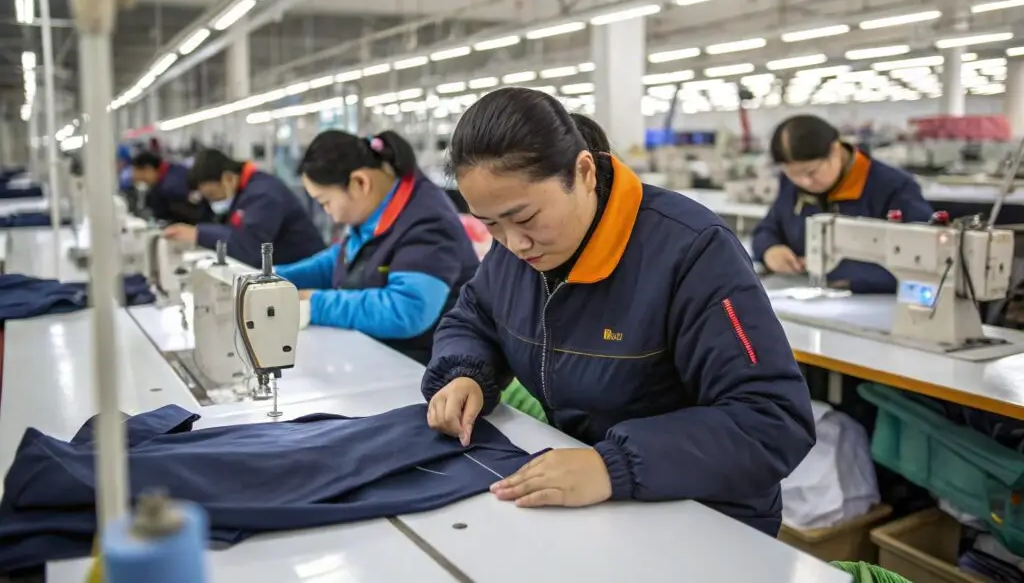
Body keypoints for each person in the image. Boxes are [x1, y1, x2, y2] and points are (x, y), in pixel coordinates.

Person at [420, 87, 814, 536]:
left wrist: (614, 465)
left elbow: (773, 419)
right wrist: (465, 372)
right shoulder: (516, 249)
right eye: (491, 224)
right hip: (589, 505)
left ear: (583, 171)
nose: (513, 243)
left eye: (526, 218)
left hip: (705, 520)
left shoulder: (691, 252)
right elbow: (474, 317)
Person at [274, 130, 479, 365]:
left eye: (325, 202)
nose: (327, 213)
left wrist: (315, 304)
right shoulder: (375, 212)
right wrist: (278, 277)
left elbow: (407, 310)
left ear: (360, 182)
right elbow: (342, 260)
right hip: (386, 356)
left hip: (432, 372)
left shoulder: (428, 222)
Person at [752, 115, 933, 293]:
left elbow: (923, 261)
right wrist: (770, 250)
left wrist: (838, 270)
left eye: (811, 172)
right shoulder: (792, 184)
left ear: (835, 149)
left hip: (874, 303)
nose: (804, 182)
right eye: (793, 174)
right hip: (802, 291)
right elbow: (767, 229)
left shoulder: (894, 188)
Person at [163, 149, 325, 267]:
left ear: (227, 178)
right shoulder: (245, 192)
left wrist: (198, 234)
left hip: (307, 276)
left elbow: (250, 248)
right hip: (287, 272)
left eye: (212, 194)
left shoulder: (264, 194)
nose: (213, 201)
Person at [130, 151, 211, 225]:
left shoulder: (170, 188)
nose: (134, 177)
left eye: (141, 178)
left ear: (148, 169)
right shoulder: (172, 171)